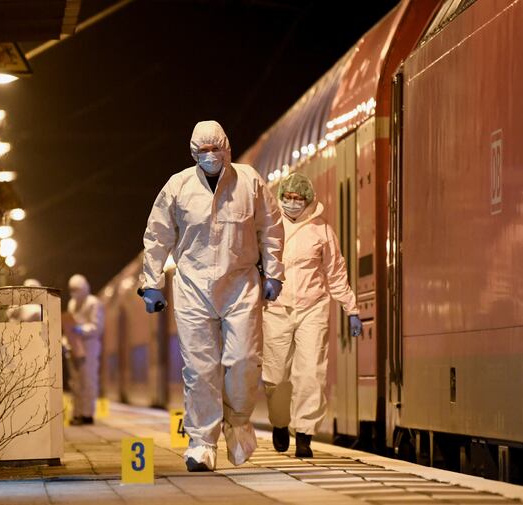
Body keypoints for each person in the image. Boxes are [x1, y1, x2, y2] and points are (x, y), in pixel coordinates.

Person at [141, 120, 284, 472]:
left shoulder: (249, 182)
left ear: (227, 148)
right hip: (192, 288)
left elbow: (272, 228)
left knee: (244, 360)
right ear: (192, 153)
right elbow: (158, 236)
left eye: (215, 149)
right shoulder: (177, 187)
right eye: (202, 151)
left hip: (241, 285)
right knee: (200, 369)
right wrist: (151, 284)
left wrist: (275, 274)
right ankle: (202, 443)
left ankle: (238, 424)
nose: (210, 156)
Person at [262, 172, 362, 458]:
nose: (292, 203)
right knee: (276, 374)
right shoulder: (269, 227)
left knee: (310, 372)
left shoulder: (322, 231)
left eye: (298, 198)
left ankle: (304, 434)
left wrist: (351, 308)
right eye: (288, 197)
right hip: (277, 307)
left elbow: (335, 273)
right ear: (280, 198)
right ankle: (280, 422)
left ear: (308, 200)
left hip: (312, 307)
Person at [66, 274, 104, 425]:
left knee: (88, 380)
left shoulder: (93, 303)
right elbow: (69, 326)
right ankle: (77, 413)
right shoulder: (71, 304)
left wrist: (80, 329)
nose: (74, 292)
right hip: (74, 347)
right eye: (72, 289)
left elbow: (97, 327)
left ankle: (87, 414)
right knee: (75, 382)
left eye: (77, 289)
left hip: (89, 347)